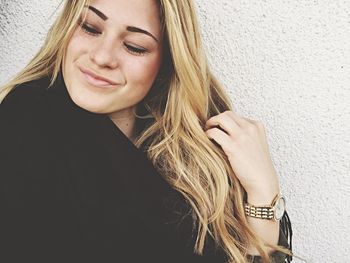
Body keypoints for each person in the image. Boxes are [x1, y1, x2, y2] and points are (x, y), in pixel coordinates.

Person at [0, 0, 294, 262]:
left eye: (134, 46)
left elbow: (257, 254)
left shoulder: (196, 145)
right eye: (90, 27)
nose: (102, 56)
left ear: (166, 60)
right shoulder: (25, 123)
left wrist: (263, 190)